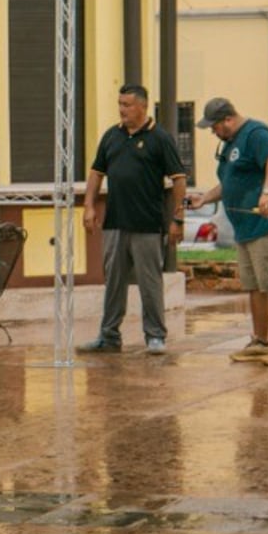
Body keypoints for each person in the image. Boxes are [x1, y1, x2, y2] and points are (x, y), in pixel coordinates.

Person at [187, 96, 268, 365]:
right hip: (246, 229)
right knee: (255, 286)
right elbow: (230, 183)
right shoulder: (229, 145)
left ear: (227, 119)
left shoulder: (256, 134)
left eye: (214, 126)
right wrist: (204, 198)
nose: (212, 132)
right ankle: (261, 341)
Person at [81, 84, 186, 355]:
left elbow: (179, 179)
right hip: (115, 222)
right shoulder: (111, 136)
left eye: (127, 105)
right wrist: (89, 205)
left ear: (142, 106)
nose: (122, 110)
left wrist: (178, 218)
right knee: (113, 282)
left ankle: (155, 336)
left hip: (147, 225)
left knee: (149, 282)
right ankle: (109, 336)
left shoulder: (160, 138)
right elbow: (96, 173)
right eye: (120, 104)